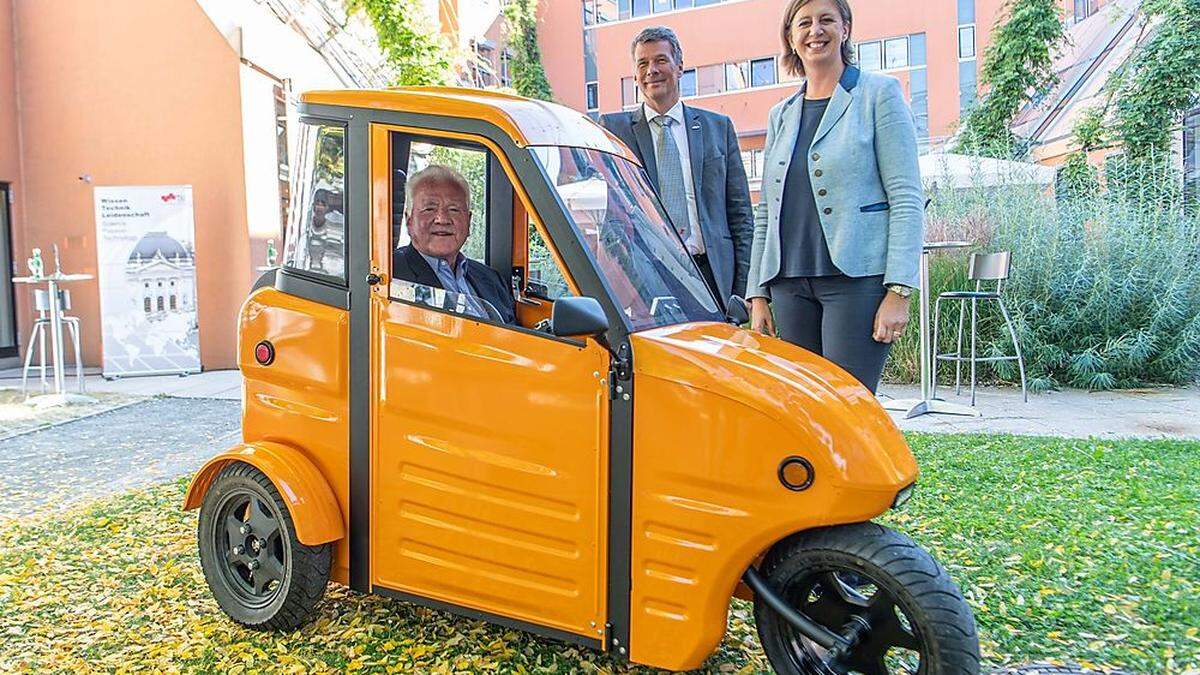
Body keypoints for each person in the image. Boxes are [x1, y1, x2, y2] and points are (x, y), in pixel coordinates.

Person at [745, 0, 922, 394]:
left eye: (826, 20)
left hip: (856, 283)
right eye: (804, 23)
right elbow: (766, 213)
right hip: (788, 283)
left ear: (845, 28)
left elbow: (907, 198)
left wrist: (899, 290)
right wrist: (757, 295)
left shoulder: (879, 94)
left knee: (849, 406)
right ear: (790, 37)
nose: (815, 31)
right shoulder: (781, 114)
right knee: (802, 409)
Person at [600, 26, 753, 311]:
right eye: (642, 64)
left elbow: (741, 215)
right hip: (648, 281)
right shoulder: (613, 131)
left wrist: (743, 290)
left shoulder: (717, 128)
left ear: (679, 67)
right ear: (635, 75)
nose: (651, 70)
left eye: (660, 60)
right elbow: (612, 219)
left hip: (711, 278)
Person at [392, 165, 516, 324]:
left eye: (454, 209)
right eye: (429, 209)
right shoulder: (391, 276)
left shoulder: (492, 278)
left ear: (469, 221)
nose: (442, 219)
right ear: (409, 221)